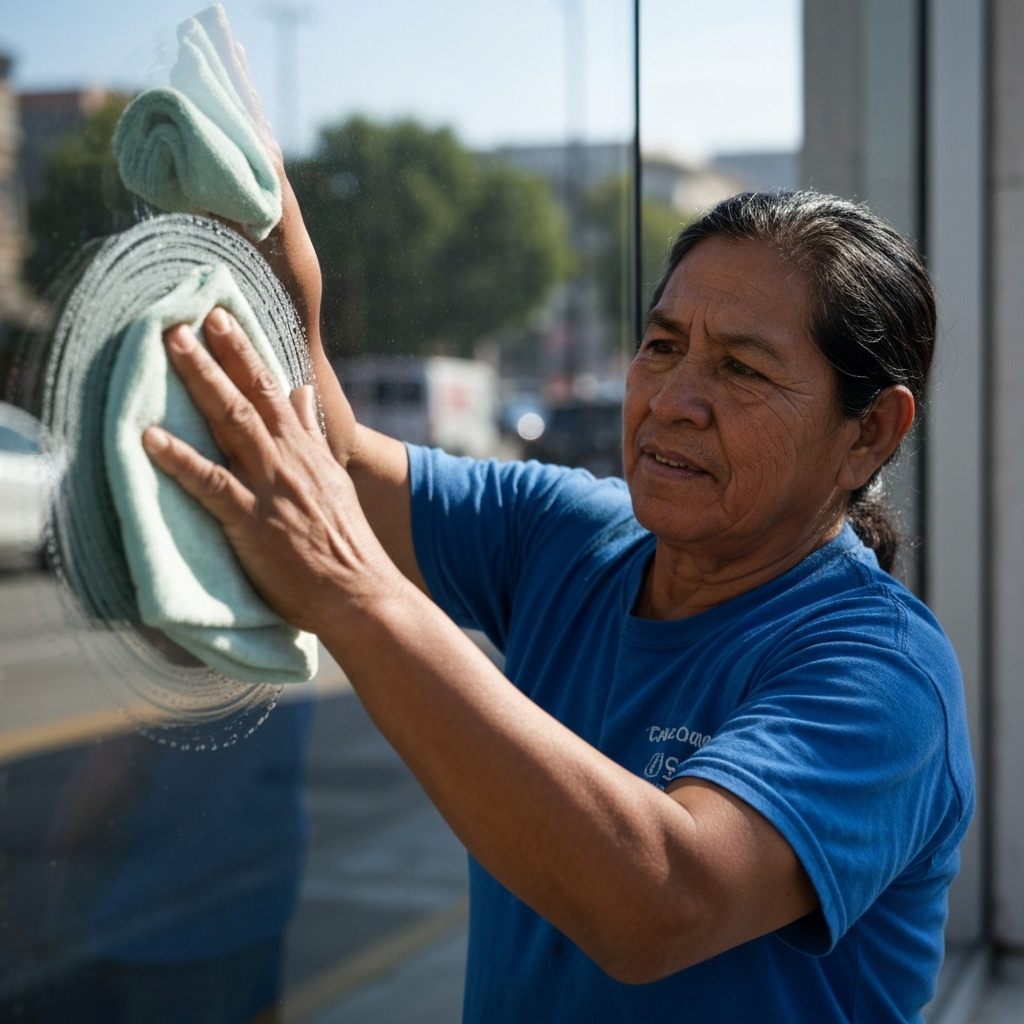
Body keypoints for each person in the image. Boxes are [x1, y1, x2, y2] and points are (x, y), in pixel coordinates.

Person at [141, 187, 974, 1023]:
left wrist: (355, 595)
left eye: (742, 369)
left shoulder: (884, 673)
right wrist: (284, 285)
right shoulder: (571, 536)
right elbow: (339, 466)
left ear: (868, 434)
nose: (672, 399)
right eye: (662, 346)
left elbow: (661, 901)